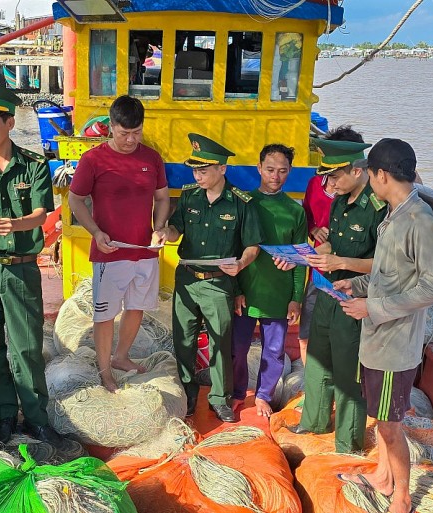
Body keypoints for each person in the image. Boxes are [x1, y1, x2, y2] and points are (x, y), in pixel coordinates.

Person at [0, 78, 83, 460]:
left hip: (21, 268)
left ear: (10, 122)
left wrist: (17, 224)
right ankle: (5, 415)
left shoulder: (34, 164)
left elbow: (41, 212)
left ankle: (37, 418)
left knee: (25, 347)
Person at [335, 139, 433, 513]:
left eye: (370, 175)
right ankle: (383, 477)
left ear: (381, 175)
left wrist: (374, 307)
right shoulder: (393, 215)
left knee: (389, 426)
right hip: (377, 338)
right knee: (381, 417)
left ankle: (401, 496)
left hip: (395, 345)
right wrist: (357, 285)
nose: (370, 182)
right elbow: (389, 275)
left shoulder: (420, 221)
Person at [289, 132, 388, 454]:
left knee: (348, 373)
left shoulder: (377, 209)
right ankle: (314, 421)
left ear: (357, 171)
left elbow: (387, 264)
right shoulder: (339, 204)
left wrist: (340, 261)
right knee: (317, 361)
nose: (329, 183)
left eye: (334, 175)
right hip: (327, 293)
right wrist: (319, 253)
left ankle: (348, 442)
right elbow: (332, 242)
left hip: (355, 302)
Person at [68, 95, 170, 392]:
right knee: (105, 314)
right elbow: (76, 200)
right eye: (124, 133)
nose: (130, 140)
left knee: (137, 306)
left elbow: (162, 197)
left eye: (136, 133)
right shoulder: (93, 159)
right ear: (110, 126)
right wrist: (95, 232)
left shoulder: (151, 158)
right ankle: (104, 371)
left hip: (145, 250)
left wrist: (160, 227)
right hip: (109, 250)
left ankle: (121, 356)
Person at [161, 134, 262, 423]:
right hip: (187, 280)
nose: (198, 175)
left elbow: (252, 246)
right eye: (195, 170)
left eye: (204, 170)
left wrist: (241, 263)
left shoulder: (241, 202)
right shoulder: (190, 195)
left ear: (222, 169)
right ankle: (188, 396)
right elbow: (176, 229)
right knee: (183, 341)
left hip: (218, 284)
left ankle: (220, 399)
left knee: (221, 342)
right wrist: (164, 233)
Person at [231, 144, 306, 417]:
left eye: (283, 171)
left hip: (279, 294)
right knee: (237, 348)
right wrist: (236, 289)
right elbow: (232, 251)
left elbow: (300, 258)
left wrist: (296, 297)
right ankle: (239, 392)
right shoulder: (244, 204)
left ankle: (264, 395)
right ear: (259, 168)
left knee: (274, 352)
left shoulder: (295, 211)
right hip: (246, 291)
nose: (276, 176)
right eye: (270, 169)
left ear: (290, 172)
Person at [298, 139, 338, 366]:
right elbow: (306, 214)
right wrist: (313, 228)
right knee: (306, 332)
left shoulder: (358, 192)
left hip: (343, 270)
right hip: (317, 268)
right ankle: (308, 385)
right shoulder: (315, 183)